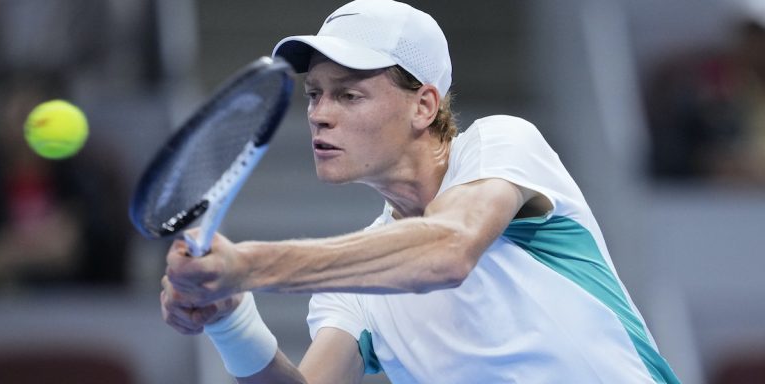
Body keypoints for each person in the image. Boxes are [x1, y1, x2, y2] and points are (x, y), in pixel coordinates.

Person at [161, 1, 681, 383]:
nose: (319, 114)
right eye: (315, 94)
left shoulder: (502, 144)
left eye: (349, 94)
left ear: (424, 106)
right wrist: (230, 320)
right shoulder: (352, 283)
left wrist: (250, 265)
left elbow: (447, 251)